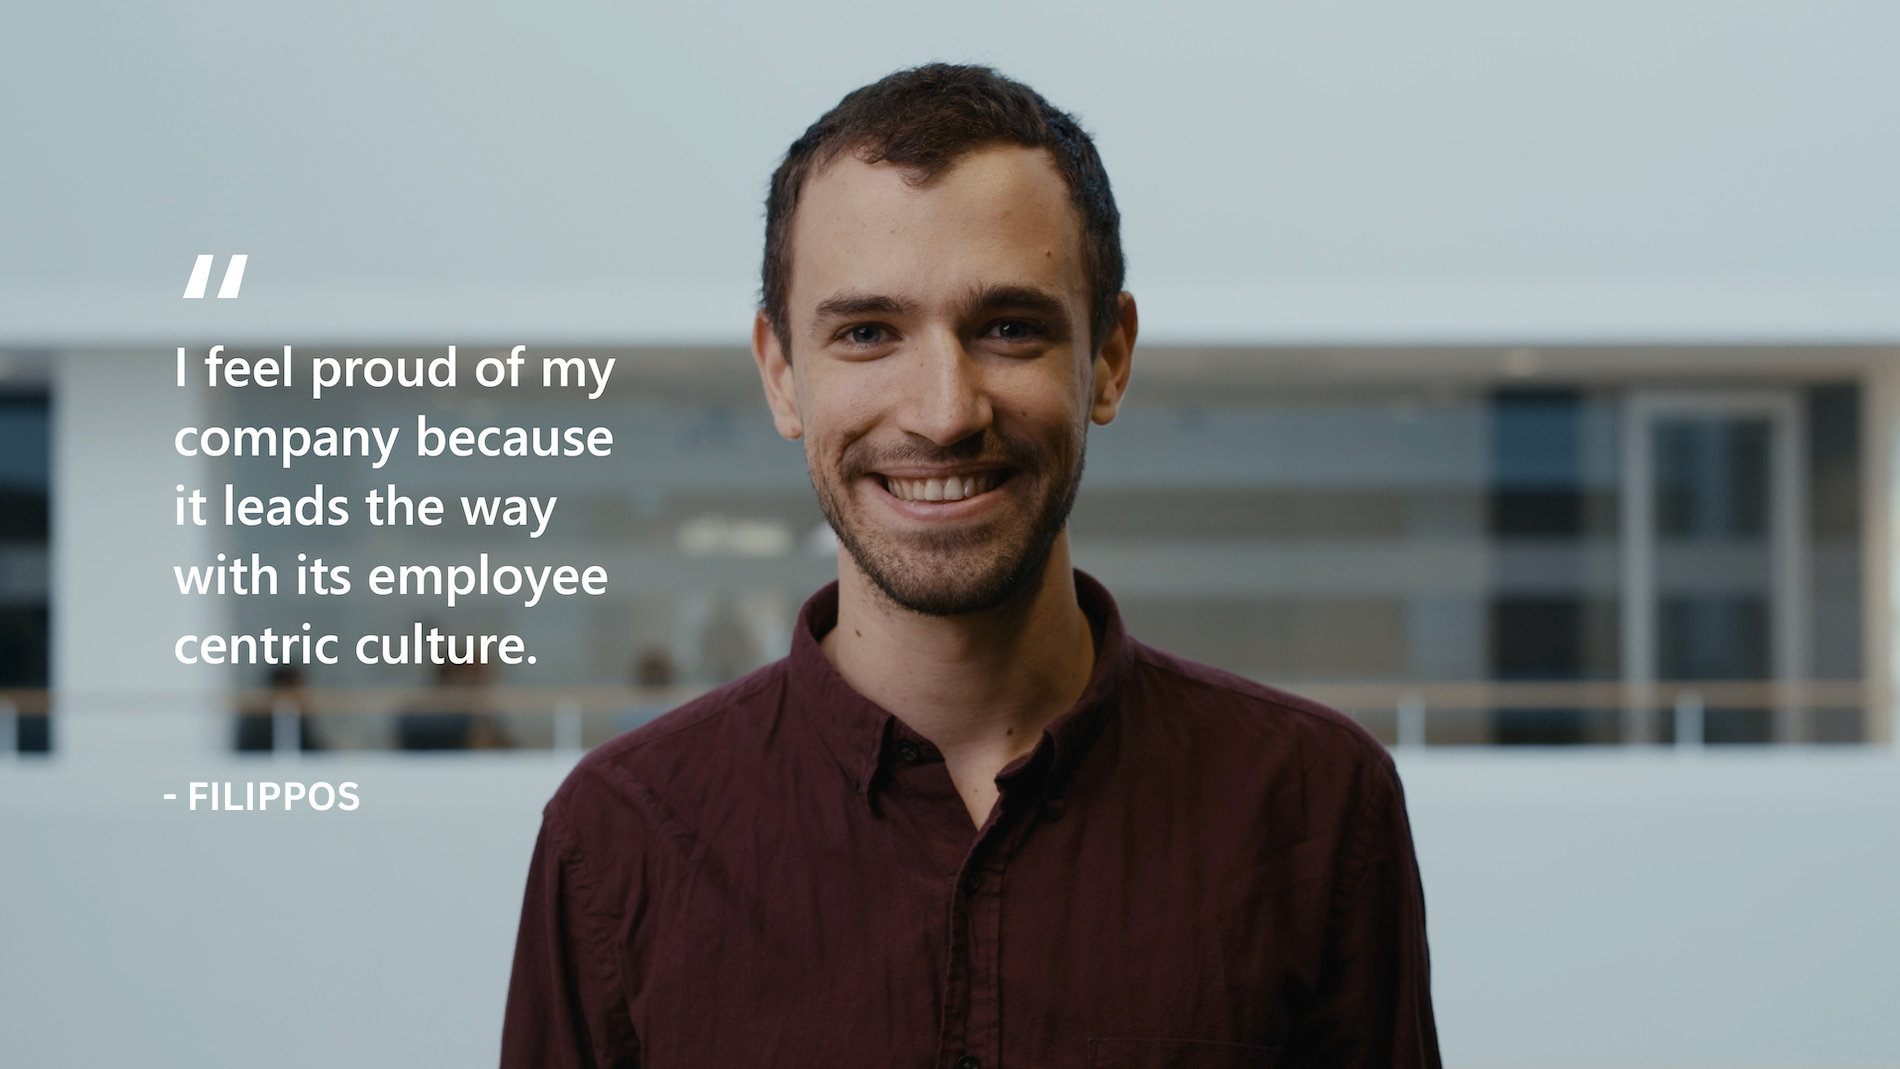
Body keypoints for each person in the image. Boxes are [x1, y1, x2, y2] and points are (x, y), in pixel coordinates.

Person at [503, 64, 1441, 1067]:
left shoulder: (1312, 805)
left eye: (1007, 328)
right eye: (867, 333)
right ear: (782, 375)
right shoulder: (617, 840)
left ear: (1110, 357)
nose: (944, 410)